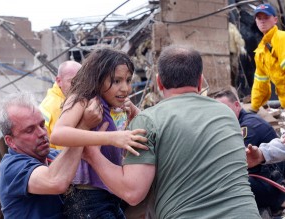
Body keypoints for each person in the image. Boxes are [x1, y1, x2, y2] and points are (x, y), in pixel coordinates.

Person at [82, 45, 261, 218]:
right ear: (200, 81)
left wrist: (92, 154)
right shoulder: (227, 113)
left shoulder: (148, 121)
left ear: (159, 82)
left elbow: (132, 192)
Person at [0, 91, 147, 218]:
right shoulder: (11, 167)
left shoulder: (54, 156)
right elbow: (55, 181)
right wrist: (83, 126)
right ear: (10, 141)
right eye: (30, 130)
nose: (42, 133)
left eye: (42, 125)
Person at [50, 46, 147, 218]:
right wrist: (112, 138)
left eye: (128, 80)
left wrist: (133, 111)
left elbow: (147, 126)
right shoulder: (83, 99)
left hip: (110, 194)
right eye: (116, 81)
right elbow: (59, 133)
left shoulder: (113, 105)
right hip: (87, 198)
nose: (125, 88)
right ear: (98, 78)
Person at [214, 89, 285, 213]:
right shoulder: (240, 122)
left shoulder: (248, 127)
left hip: (273, 189)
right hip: (268, 183)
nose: (220, 114)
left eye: (224, 109)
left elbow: (235, 163)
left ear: (237, 105)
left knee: (227, 185)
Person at [250, 3, 285, 113]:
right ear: (256, 21)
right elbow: (260, 84)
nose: (262, 21)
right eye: (259, 18)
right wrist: (253, 108)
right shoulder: (261, 51)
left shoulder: (281, 38)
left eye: (266, 17)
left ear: (275, 20)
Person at [40, 60, 81, 149]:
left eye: (81, 80)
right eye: (72, 82)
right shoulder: (56, 106)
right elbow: (64, 148)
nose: (78, 86)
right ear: (59, 81)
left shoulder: (65, 98)